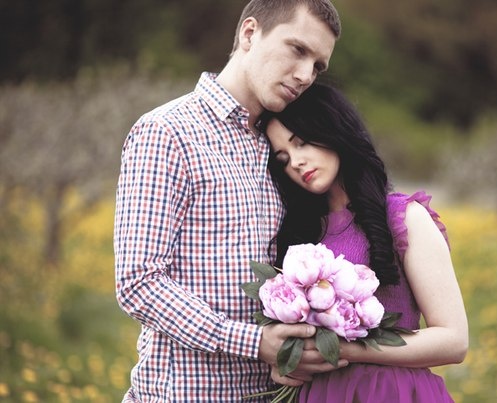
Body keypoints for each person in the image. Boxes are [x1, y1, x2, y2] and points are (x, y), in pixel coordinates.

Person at [113, 1, 343, 401]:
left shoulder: (284, 149)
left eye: (318, 66)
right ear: (250, 33)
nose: (306, 75)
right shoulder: (167, 132)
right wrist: (252, 342)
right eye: (297, 49)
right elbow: (138, 282)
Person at [261, 82, 469, 402]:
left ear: (332, 129)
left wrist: (345, 349)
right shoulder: (298, 237)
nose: (296, 162)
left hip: (392, 393)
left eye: (301, 142)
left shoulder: (403, 217)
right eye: (283, 158)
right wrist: (286, 364)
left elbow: (454, 341)